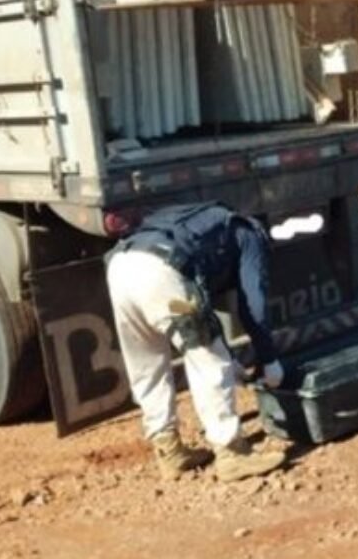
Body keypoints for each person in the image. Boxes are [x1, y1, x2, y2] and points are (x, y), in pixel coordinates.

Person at [106, 202, 288, 483]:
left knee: (147, 363)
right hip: (162, 272)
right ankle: (232, 453)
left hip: (120, 267)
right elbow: (254, 304)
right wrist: (269, 359)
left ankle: (169, 452)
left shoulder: (203, 221)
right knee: (208, 360)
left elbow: (205, 306)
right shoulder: (251, 235)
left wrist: (231, 356)